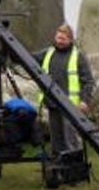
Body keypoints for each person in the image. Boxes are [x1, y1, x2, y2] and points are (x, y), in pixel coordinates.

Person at [34, 23, 94, 156]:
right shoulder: (48, 53)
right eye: (58, 38)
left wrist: (84, 101)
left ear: (70, 39)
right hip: (52, 104)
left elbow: (88, 81)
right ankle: (58, 167)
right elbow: (29, 58)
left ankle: (74, 167)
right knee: (56, 140)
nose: (59, 41)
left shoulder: (78, 56)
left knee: (71, 141)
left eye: (63, 39)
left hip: (71, 106)